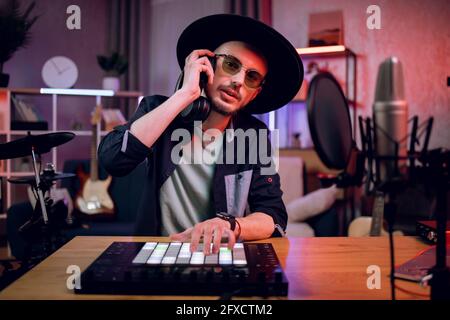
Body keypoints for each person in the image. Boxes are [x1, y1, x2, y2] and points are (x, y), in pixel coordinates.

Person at [98, 14, 303, 255]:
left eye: (251, 77)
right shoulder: (158, 110)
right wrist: (184, 95)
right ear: (206, 65)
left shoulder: (254, 135)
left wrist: (230, 224)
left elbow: (273, 215)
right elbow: (113, 159)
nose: (238, 81)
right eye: (231, 64)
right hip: (158, 253)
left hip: (221, 257)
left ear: (254, 94)